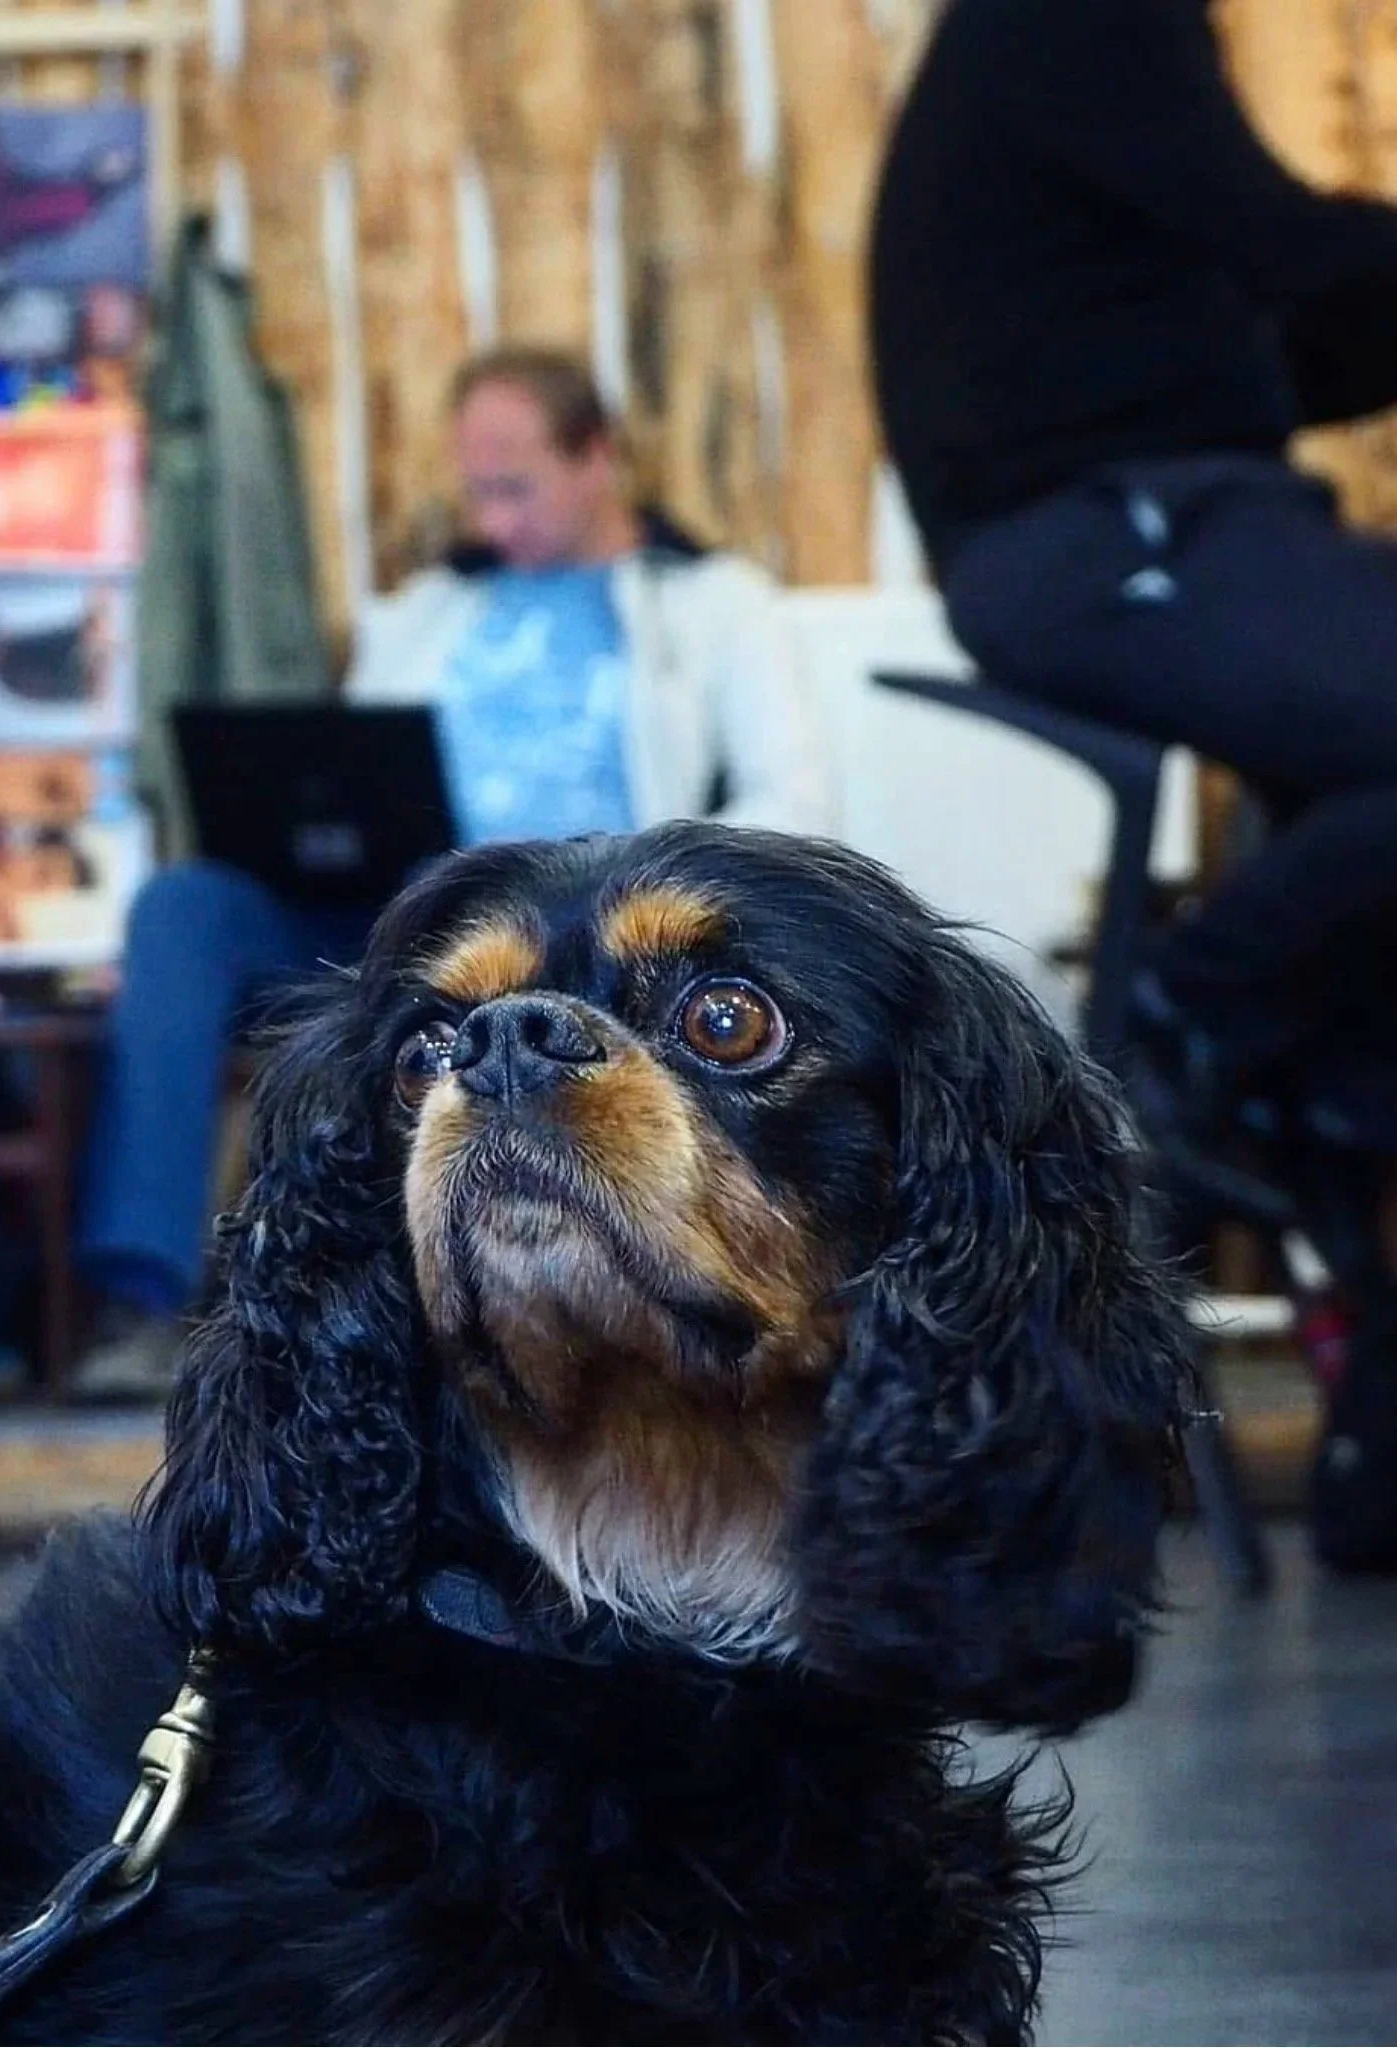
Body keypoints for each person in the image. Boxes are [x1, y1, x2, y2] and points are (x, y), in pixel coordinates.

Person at [870, 0, 1397, 1569]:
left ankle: (1280, 1077)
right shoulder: (1079, 17)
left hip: (1172, 506)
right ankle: (1187, 1023)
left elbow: (1272, 332)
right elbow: (1278, 246)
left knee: (1361, 936)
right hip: (1100, 528)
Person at [70, 345, 834, 1398]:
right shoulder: (431, 610)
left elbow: (790, 801)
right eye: (475, 489)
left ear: (597, 458)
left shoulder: (710, 605)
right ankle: (144, 1299)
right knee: (183, 910)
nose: (491, 517)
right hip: (414, 919)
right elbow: (355, 783)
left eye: (514, 486)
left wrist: (636, 878)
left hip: (591, 938)